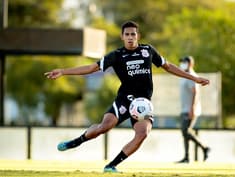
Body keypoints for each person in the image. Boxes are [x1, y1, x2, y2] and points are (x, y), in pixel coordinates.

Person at [44, 21, 209, 172]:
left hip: (143, 104)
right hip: (124, 100)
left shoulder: (148, 51)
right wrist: (63, 71)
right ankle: (76, 141)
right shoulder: (116, 55)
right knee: (103, 127)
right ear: (122, 37)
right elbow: (90, 68)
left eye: (133, 34)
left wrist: (194, 78)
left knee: (142, 134)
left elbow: (169, 66)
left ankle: (111, 165)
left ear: (138, 36)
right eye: (127, 34)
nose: (130, 37)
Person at [176, 56, 210, 163]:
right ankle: (187, 157)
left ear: (190, 64)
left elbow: (196, 92)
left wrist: (192, 108)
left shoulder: (191, 76)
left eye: (184, 62)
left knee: (185, 131)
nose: (182, 64)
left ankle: (204, 148)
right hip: (184, 109)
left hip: (190, 109)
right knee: (185, 132)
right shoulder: (183, 75)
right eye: (181, 62)